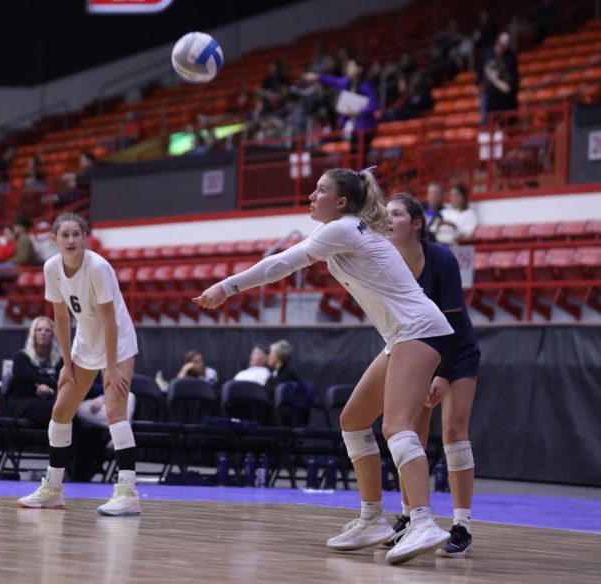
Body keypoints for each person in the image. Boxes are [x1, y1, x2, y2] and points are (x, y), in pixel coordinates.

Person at [193, 168, 454, 565]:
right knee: (352, 420)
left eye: (321, 190)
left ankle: (422, 520)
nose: (312, 197)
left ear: (343, 202)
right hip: (403, 335)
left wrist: (227, 287)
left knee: (396, 425)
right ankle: (372, 519)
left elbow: (282, 263)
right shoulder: (351, 228)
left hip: (418, 328)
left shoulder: (345, 228)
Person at [17, 213, 140, 516]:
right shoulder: (51, 268)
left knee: (114, 411)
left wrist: (111, 367)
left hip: (117, 341)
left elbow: (110, 320)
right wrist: (66, 364)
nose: (71, 240)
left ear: (84, 237)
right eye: (65, 235)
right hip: (85, 341)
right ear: (55, 239)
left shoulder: (98, 267)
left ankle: (127, 492)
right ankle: (53, 489)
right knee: (60, 410)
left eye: (76, 234)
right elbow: (61, 317)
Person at [385, 193, 481, 557]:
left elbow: (453, 320)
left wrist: (440, 374)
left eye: (396, 213)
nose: (388, 219)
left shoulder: (441, 258)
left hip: (455, 352)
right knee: (409, 432)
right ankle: (411, 517)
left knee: (454, 432)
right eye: (385, 213)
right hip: (414, 353)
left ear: (417, 223)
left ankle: (462, 526)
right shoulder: (386, 261)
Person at [6, 316, 63, 428]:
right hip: (22, 401)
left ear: (52, 335)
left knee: (67, 410)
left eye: (47, 330)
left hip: (51, 401)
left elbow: (64, 384)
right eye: (39, 330)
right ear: (33, 333)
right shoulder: (21, 357)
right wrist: (50, 385)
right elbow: (29, 379)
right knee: (56, 411)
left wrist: (50, 391)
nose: (43, 333)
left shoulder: (59, 361)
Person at [477, 32, 518, 124]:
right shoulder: (488, 54)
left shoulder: (510, 58)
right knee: (486, 120)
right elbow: (481, 71)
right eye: (500, 44)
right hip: (489, 94)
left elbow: (510, 85)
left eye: (504, 45)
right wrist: (479, 84)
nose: (502, 47)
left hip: (503, 98)